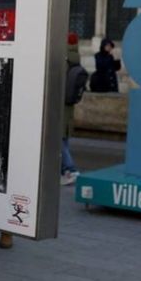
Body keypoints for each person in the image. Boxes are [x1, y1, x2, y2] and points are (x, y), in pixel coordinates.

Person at [61, 32, 81, 186]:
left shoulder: (64, 59)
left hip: (60, 105)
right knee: (63, 140)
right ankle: (64, 171)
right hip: (68, 106)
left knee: (59, 142)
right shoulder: (76, 59)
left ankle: (71, 169)